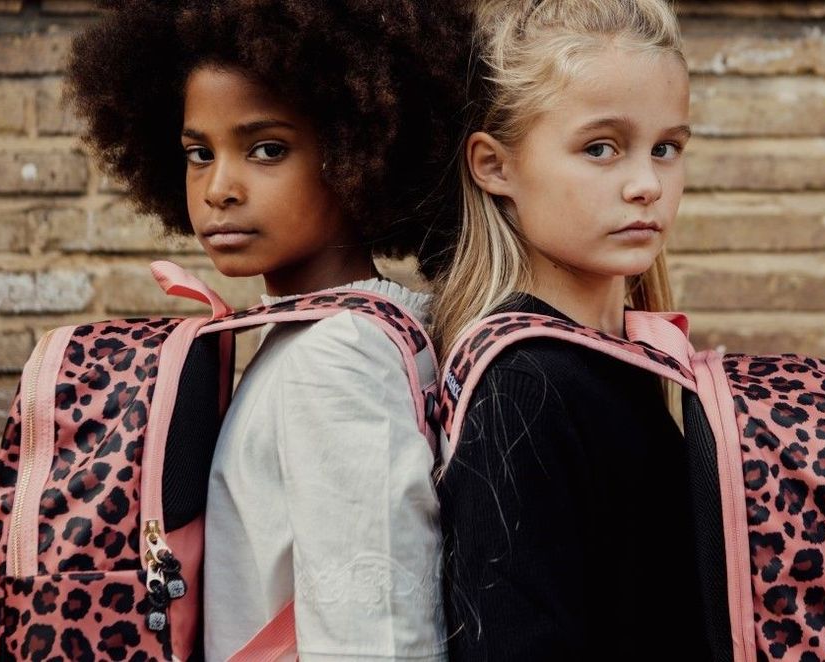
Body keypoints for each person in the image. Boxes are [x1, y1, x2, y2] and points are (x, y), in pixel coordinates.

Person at [65, 2, 468, 659]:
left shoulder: (339, 354)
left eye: (267, 149)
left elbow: (376, 636)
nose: (219, 187)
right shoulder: (317, 334)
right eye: (199, 153)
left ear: (359, 150)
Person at [429, 0, 703, 659]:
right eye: (600, 148)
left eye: (666, 148)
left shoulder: (618, 361)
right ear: (494, 165)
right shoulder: (523, 386)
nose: (647, 184)